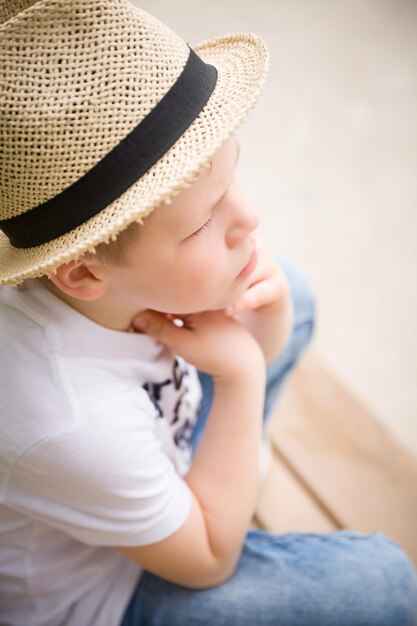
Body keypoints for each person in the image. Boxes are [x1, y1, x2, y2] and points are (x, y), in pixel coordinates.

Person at [0, 2, 416, 625]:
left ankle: (217, 478)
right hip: (110, 592)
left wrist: (250, 334)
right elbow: (209, 561)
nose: (248, 218)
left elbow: (265, 326)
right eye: (203, 221)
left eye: (232, 177)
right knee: (379, 585)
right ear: (83, 273)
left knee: (287, 295)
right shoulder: (71, 419)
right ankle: (217, 489)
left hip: (141, 459)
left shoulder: (105, 288)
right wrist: (242, 375)